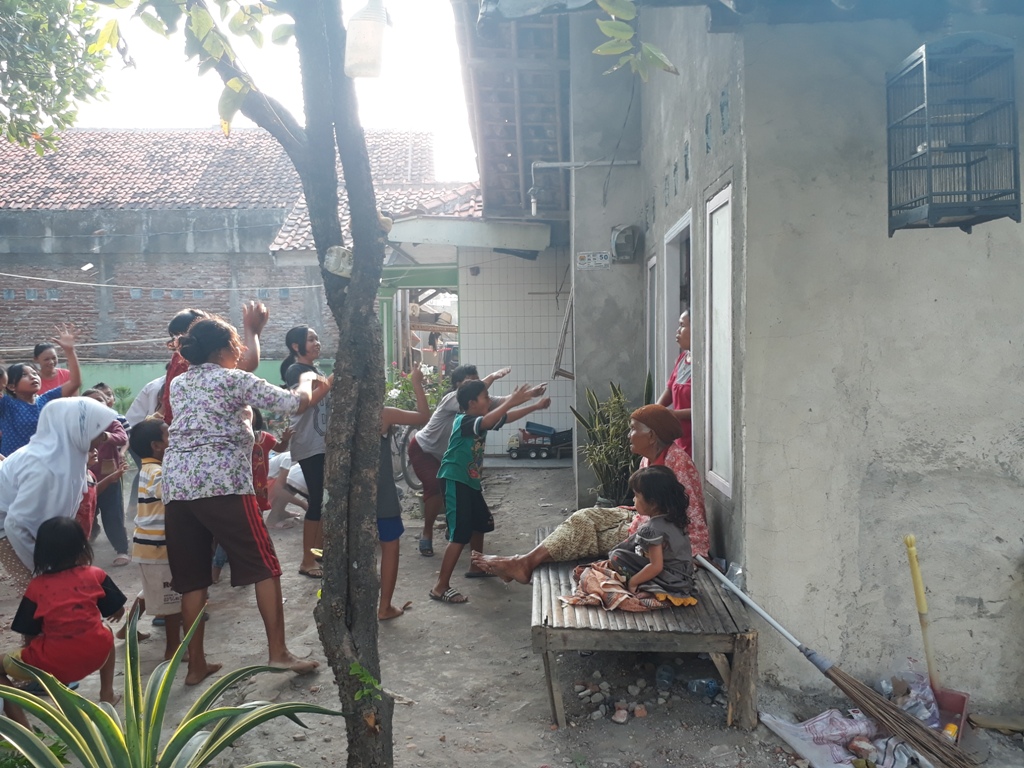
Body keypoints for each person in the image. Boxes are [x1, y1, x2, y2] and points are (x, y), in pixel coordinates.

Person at [162, 314, 328, 685]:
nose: (240, 351)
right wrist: (305, 378)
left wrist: (251, 332)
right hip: (221, 485)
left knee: (191, 579)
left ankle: (196, 665)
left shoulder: (180, 384)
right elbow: (292, 404)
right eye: (236, 344)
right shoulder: (233, 378)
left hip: (178, 489)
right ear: (223, 349)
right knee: (265, 566)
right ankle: (279, 654)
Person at [472, 403, 709, 584]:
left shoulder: (678, 462)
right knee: (584, 516)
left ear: (652, 435)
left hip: (657, 538)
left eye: (633, 430)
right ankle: (523, 561)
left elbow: (693, 519)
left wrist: (692, 556)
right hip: (639, 520)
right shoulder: (648, 460)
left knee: (586, 533)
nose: (629, 435)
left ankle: (523, 563)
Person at [429, 379, 550, 604]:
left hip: (469, 480)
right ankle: (440, 586)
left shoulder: (479, 420)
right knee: (459, 534)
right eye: (486, 397)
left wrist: (534, 405)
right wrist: (512, 401)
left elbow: (503, 418)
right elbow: (491, 418)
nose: (490, 400)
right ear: (472, 402)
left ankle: (477, 566)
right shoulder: (464, 421)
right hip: (454, 479)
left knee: (480, 523)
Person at [408, 365, 545, 557]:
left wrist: (532, 397)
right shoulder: (456, 403)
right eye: (471, 381)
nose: (485, 395)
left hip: (454, 462)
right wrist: (493, 378)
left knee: (473, 513)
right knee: (435, 488)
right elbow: (496, 412)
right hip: (425, 449)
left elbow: (503, 411)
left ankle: (462, 541)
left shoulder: (478, 406)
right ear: (459, 387)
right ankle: (428, 533)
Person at [1, 516, 127, 711]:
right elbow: (117, 609)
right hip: (95, 655)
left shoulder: (37, 587)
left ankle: (22, 727)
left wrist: (31, 659)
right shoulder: (96, 574)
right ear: (82, 546)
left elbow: (28, 632)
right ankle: (107, 694)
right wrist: (116, 613)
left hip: (50, 664)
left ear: (41, 552)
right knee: (106, 631)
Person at [0, 397, 118, 592]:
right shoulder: (43, 466)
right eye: (97, 431)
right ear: (76, 430)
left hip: (38, 533)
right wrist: (44, 569)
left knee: (59, 592)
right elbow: (15, 526)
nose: (102, 437)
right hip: (7, 532)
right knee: (43, 595)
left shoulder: (71, 453)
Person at [378, 366, 431, 620]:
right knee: (389, 545)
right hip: (381, 494)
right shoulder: (382, 414)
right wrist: (416, 383)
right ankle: (384, 606)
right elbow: (423, 416)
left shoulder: (339, 415)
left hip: (347, 496)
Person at [280, 325, 333, 579]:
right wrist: (331, 381)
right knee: (316, 501)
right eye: (311, 339)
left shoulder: (315, 370)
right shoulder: (297, 371)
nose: (316, 342)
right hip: (309, 445)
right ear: (296, 346)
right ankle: (306, 560)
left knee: (322, 501)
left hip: (321, 443)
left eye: (317, 338)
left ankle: (318, 552)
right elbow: (303, 403)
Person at [129, 417, 183, 660]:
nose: (174, 439)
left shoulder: (147, 468)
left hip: (148, 547)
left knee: (149, 592)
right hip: (158, 547)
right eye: (169, 435)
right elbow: (171, 494)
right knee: (171, 603)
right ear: (157, 446)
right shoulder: (157, 472)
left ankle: (126, 631)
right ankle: (173, 649)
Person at [608, 465, 696, 601]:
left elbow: (656, 566)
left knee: (616, 557)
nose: (633, 500)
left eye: (636, 496)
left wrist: (633, 582)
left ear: (653, 503)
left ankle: (651, 587)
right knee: (621, 552)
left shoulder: (652, 529)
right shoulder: (676, 518)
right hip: (684, 576)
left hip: (670, 580)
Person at [0, 326, 81, 456]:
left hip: (43, 463)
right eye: (24, 375)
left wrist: (69, 351)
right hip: (13, 466)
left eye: (34, 373)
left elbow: (75, 383)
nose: (33, 377)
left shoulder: (46, 399)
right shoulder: (6, 404)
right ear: (11, 386)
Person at [81, 388, 131, 564]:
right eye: (89, 402)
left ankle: (121, 550)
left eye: (99, 400)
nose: (94, 405)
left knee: (113, 514)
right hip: (85, 479)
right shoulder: (79, 424)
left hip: (110, 478)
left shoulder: (112, 422)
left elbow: (122, 438)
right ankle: (87, 542)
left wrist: (106, 436)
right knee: (88, 513)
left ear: (107, 404)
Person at [658, 311, 692, 456]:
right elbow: (670, 390)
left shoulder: (707, 366)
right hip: (680, 440)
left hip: (698, 441)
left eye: (682, 325)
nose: (677, 331)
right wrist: (655, 411)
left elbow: (708, 409)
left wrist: (673, 414)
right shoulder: (682, 359)